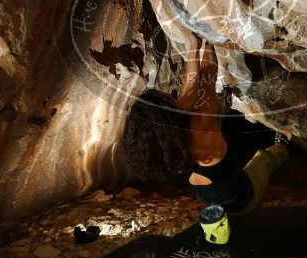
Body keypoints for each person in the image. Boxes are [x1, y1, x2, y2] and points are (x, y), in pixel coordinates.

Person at [120, 30, 289, 244]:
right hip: (243, 197)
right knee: (263, 159)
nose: (169, 95)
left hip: (209, 195)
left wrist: (193, 44)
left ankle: (224, 100)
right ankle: (284, 144)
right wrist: (208, 45)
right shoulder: (201, 126)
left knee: (207, 112)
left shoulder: (166, 148)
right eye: (167, 98)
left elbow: (190, 89)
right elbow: (207, 76)